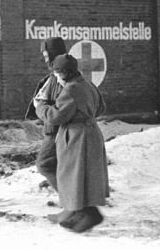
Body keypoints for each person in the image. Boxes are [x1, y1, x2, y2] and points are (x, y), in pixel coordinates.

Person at [35, 54, 109, 233]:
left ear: (63, 73)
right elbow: (101, 108)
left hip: (76, 138)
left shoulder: (70, 90)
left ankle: (91, 215)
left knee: (72, 175)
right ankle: (80, 213)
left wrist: (41, 107)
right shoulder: (88, 84)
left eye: (58, 74)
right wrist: (85, 116)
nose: (57, 78)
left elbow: (56, 116)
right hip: (91, 133)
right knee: (84, 176)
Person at [25, 37, 66, 192]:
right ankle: (74, 204)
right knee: (58, 165)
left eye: (47, 55)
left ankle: (72, 204)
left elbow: (59, 105)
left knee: (45, 164)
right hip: (54, 128)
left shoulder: (61, 75)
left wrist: (41, 108)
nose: (45, 59)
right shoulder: (54, 75)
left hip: (56, 130)